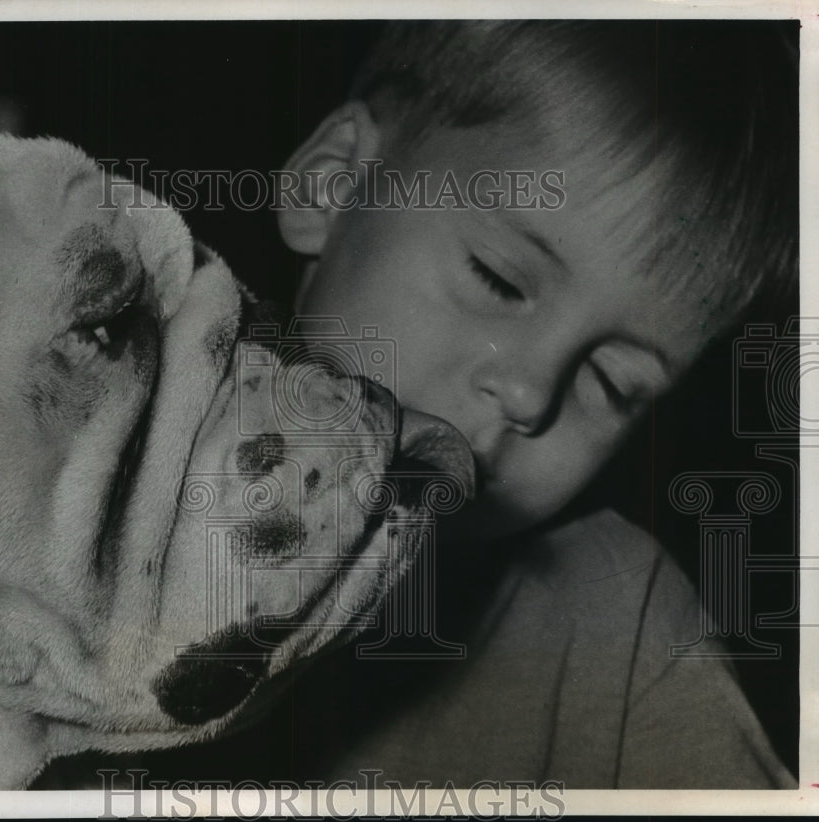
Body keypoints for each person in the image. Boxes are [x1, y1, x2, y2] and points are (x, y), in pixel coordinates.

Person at [265, 20, 798, 788]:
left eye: (614, 384)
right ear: (334, 183)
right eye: (498, 279)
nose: (529, 393)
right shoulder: (87, 457)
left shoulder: (616, 631)